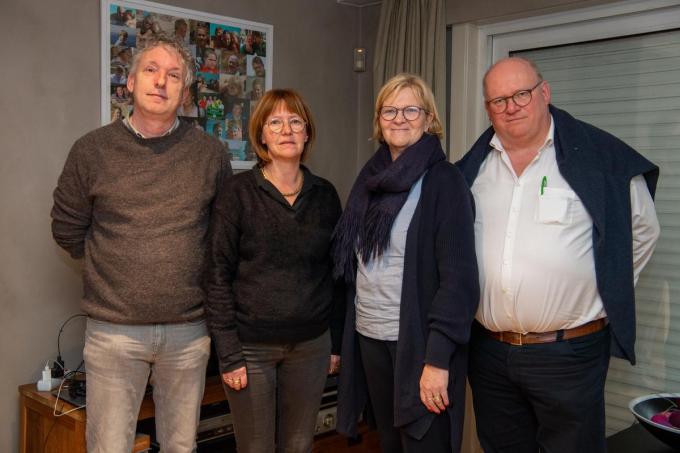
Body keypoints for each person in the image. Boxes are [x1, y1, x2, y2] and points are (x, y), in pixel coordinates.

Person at [456, 56, 660, 453]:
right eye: (499, 100)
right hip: (489, 352)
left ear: (544, 93)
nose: (511, 106)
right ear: (488, 109)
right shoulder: (471, 170)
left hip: (568, 353)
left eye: (521, 94)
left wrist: (605, 288)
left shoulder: (598, 159)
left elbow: (643, 231)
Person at [51, 36, 232, 453]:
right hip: (113, 334)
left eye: (173, 76)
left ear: (184, 93)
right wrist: (115, 266)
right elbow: (67, 229)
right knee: (109, 447)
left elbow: (221, 235)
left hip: (188, 334)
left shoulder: (211, 154)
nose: (160, 82)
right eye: (151, 70)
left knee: (180, 447)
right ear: (130, 82)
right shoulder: (91, 150)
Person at [332, 73, 479, 453]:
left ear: (428, 118)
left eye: (411, 109)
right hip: (370, 335)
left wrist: (437, 361)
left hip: (417, 344)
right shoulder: (371, 178)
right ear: (379, 120)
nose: (400, 118)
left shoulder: (444, 181)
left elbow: (459, 281)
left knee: (424, 442)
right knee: (392, 444)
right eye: (390, 110)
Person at [205, 88, 344, 453]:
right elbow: (217, 274)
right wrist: (229, 353)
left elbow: (337, 274)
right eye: (276, 122)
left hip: (312, 346)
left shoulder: (325, 196)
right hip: (251, 350)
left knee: (299, 445)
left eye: (295, 121)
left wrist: (335, 342)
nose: (287, 130)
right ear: (262, 134)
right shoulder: (237, 194)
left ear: (307, 132)